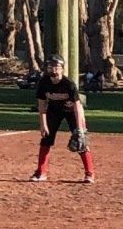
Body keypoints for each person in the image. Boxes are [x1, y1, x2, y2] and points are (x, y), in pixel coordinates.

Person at [31, 54, 96, 184]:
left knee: (81, 141)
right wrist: (43, 125)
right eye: (50, 67)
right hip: (54, 111)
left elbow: (77, 106)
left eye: (56, 67)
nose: (53, 69)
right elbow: (42, 105)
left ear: (62, 69)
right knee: (46, 139)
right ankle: (41, 172)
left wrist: (80, 128)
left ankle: (89, 174)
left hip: (72, 112)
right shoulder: (44, 83)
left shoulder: (69, 84)